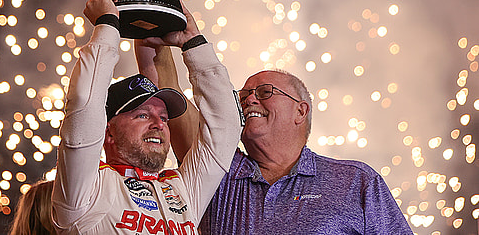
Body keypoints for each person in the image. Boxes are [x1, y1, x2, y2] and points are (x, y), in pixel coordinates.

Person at [50, 0, 242, 234]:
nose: (158, 125)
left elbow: (226, 127)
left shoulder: (181, 191)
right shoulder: (84, 193)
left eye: (164, 118)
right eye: (142, 115)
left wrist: (193, 41)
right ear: (107, 131)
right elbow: (85, 103)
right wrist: (106, 24)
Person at [159, 63, 413, 233]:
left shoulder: (356, 181)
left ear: (300, 111)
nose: (249, 100)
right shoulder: (219, 173)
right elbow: (167, 90)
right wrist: (156, 25)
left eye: (265, 92)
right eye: (243, 95)